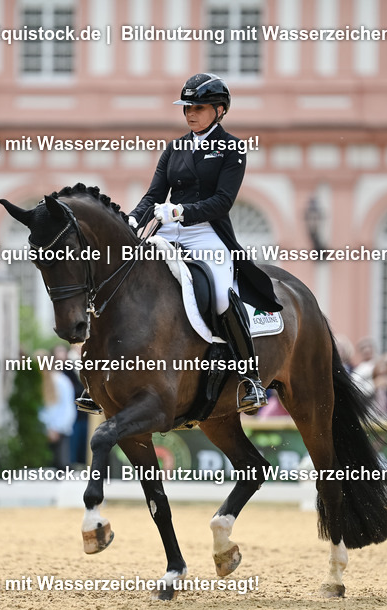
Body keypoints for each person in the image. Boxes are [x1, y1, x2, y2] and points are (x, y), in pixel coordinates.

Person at [78, 73, 281, 415]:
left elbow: (223, 201)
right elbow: (154, 195)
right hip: (168, 229)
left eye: (198, 107)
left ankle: (249, 378)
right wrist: (131, 220)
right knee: (124, 279)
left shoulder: (231, 148)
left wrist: (182, 210)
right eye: (187, 107)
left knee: (219, 293)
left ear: (219, 110)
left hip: (207, 232)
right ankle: (95, 376)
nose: (190, 113)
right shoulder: (174, 148)